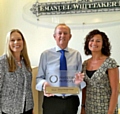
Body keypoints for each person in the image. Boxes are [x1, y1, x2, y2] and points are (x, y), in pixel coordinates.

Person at [36, 23, 85, 114]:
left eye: (65, 33)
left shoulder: (76, 55)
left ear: (70, 36)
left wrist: (79, 82)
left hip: (71, 101)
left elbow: (79, 80)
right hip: (52, 101)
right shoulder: (45, 55)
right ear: (54, 36)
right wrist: (44, 83)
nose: (62, 35)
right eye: (60, 33)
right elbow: (39, 78)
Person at [81, 29, 119, 114]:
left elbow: (115, 90)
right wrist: (83, 107)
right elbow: (84, 88)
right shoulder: (85, 64)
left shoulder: (110, 62)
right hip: (89, 108)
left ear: (103, 44)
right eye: (91, 40)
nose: (94, 43)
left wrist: (110, 112)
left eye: (98, 41)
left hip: (105, 108)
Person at [0, 29, 34, 114]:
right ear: (8, 43)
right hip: (9, 110)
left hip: (27, 108)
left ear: (23, 41)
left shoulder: (25, 61)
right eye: (12, 40)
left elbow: (28, 88)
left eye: (19, 39)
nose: (16, 42)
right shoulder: (2, 62)